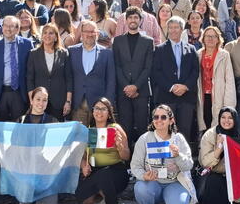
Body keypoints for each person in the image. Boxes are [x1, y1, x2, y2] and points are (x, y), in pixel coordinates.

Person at [131, 104, 196, 204]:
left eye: (163, 117)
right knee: (140, 187)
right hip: (152, 183)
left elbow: (189, 165)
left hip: (174, 182)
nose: (159, 120)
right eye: (156, 117)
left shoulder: (179, 139)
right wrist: (144, 175)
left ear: (171, 120)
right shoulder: (144, 139)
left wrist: (178, 155)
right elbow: (135, 166)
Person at [76, 98, 131, 204]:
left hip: (116, 171)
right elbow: (82, 156)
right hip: (94, 171)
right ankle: (105, 200)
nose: (99, 111)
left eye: (103, 109)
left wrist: (120, 147)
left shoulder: (115, 128)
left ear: (109, 113)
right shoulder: (88, 131)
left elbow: (126, 156)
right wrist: (84, 165)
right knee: (82, 197)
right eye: (96, 108)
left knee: (104, 175)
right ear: (93, 111)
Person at [151, 17, 199, 141]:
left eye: (176, 27)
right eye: (170, 28)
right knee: (166, 130)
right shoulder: (160, 49)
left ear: (182, 29)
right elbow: (156, 72)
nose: (173, 30)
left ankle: (183, 158)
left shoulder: (191, 49)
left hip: (186, 97)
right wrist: (171, 87)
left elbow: (195, 71)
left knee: (184, 131)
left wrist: (185, 86)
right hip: (167, 96)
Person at [193, 106, 240, 204]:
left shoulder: (238, 134)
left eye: (230, 118)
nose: (226, 121)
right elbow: (205, 162)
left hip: (230, 176)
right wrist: (219, 147)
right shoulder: (210, 134)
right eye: (223, 117)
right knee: (214, 181)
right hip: (212, 174)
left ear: (235, 120)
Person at [17, 87, 60, 204]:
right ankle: (26, 201)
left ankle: (39, 200)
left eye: (44, 100)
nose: (41, 103)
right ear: (32, 100)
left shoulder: (53, 121)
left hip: (46, 172)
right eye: (38, 99)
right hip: (26, 170)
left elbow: (59, 146)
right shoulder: (21, 121)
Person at [112, 7, 154, 142]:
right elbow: (117, 66)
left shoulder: (148, 41)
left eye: (136, 17)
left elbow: (148, 68)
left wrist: (135, 86)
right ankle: (126, 158)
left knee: (143, 126)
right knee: (125, 127)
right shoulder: (117, 41)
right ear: (126, 20)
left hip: (141, 91)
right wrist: (127, 87)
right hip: (123, 91)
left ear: (140, 20)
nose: (133, 20)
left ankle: (143, 158)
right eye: (130, 17)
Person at [0, 16, 33, 121]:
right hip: (0, 94)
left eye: (11, 26)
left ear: (17, 29)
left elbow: (31, 72)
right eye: (5, 25)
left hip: (20, 94)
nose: (8, 29)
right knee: (1, 129)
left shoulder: (27, 44)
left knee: (20, 128)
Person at [68, 20, 116, 123]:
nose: (89, 34)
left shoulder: (107, 53)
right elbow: (68, 78)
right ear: (81, 33)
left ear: (97, 34)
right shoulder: (71, 51)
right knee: (79, 137)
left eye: (92, 31)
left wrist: (108, 104)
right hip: (77, 103)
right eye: (86, 31)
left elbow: (111, 81)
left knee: (98, 136)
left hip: (99, 105)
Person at [26, 23, 71, 120]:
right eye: (45, 33)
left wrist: (68, 101)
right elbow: (30, 79)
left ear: (56, 37)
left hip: (58, 102)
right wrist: (32, 100)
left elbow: (69, 79)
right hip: (39, 102)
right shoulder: (33, 54)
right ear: (41, 36)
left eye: (51, 33)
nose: (47, 35)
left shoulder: (64, 53)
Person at [196, 26, 235, 133]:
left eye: (214, 36)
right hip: (203, 96)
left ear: (218, 39)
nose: (210, 39)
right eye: (208, 36)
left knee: (218, 126)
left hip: (219, 95)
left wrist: (229, 102)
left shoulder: (224, 55)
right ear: (203, 38)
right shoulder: (198, 54)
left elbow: (229, 78)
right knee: (205, 124)